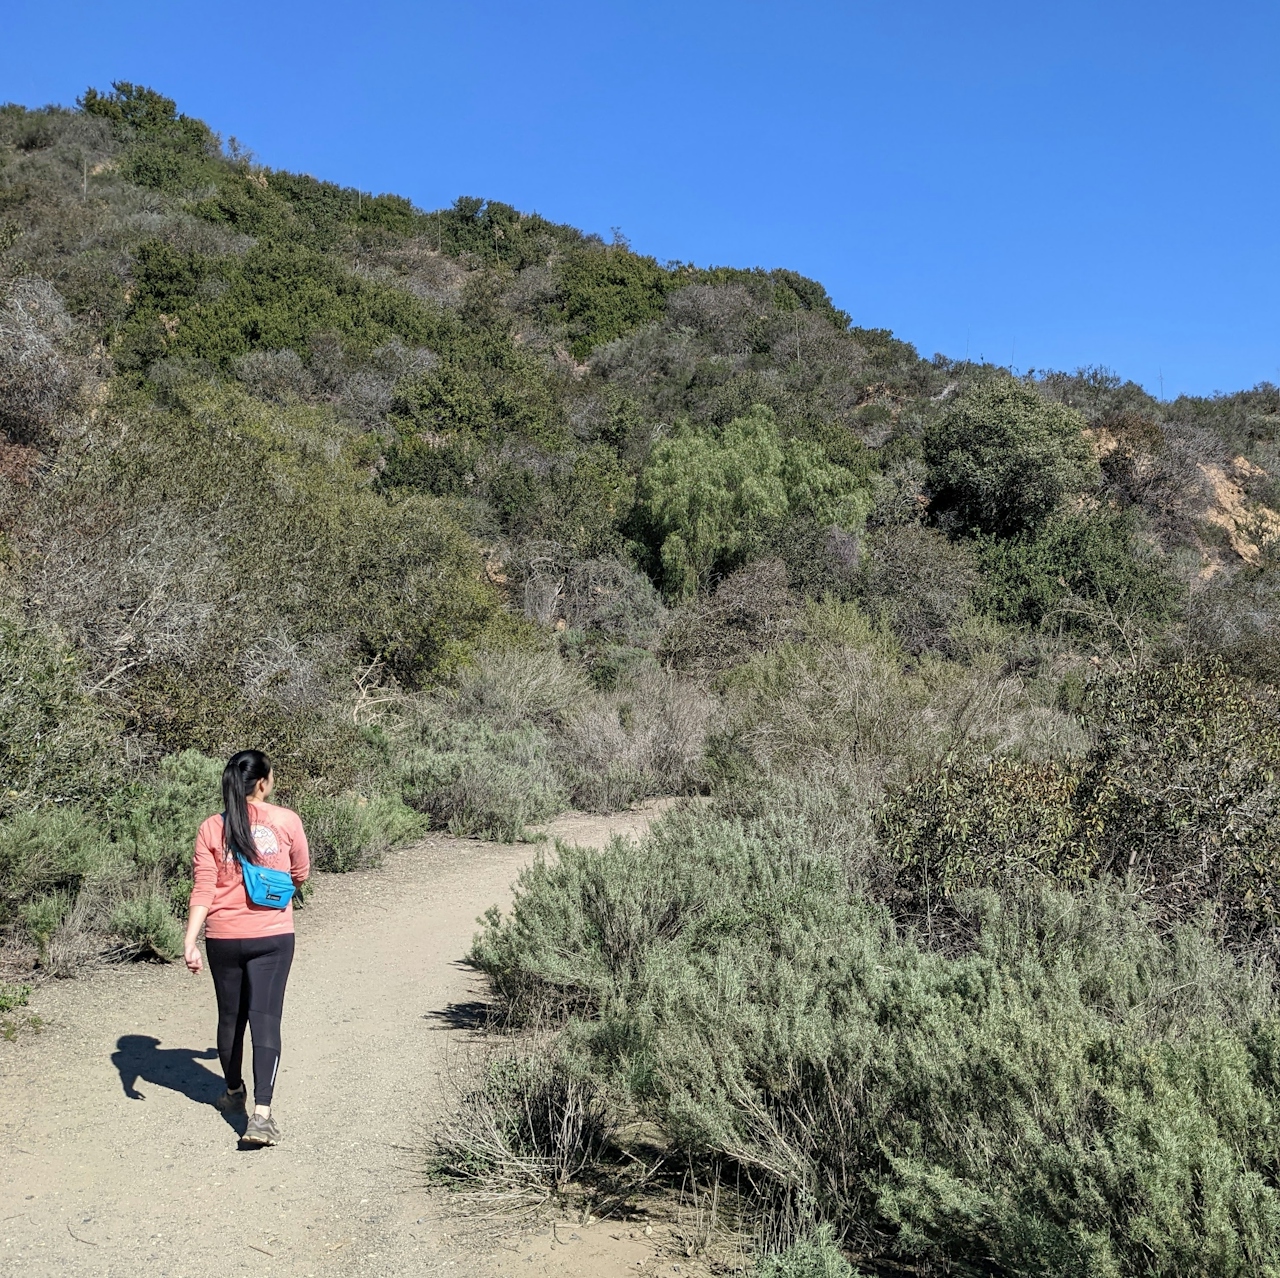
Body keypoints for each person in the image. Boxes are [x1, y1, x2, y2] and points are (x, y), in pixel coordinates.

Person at [182, 750, 310, 1146]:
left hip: (223, 937)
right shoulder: (286, 820)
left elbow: (203, 888)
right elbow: (300, 874)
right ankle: (262, 1115)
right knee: (265, 1019)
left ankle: (234, 1092)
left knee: (229, 1020)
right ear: (263, 782)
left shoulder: (210, 828)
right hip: (272, 935)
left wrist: (190, 940)